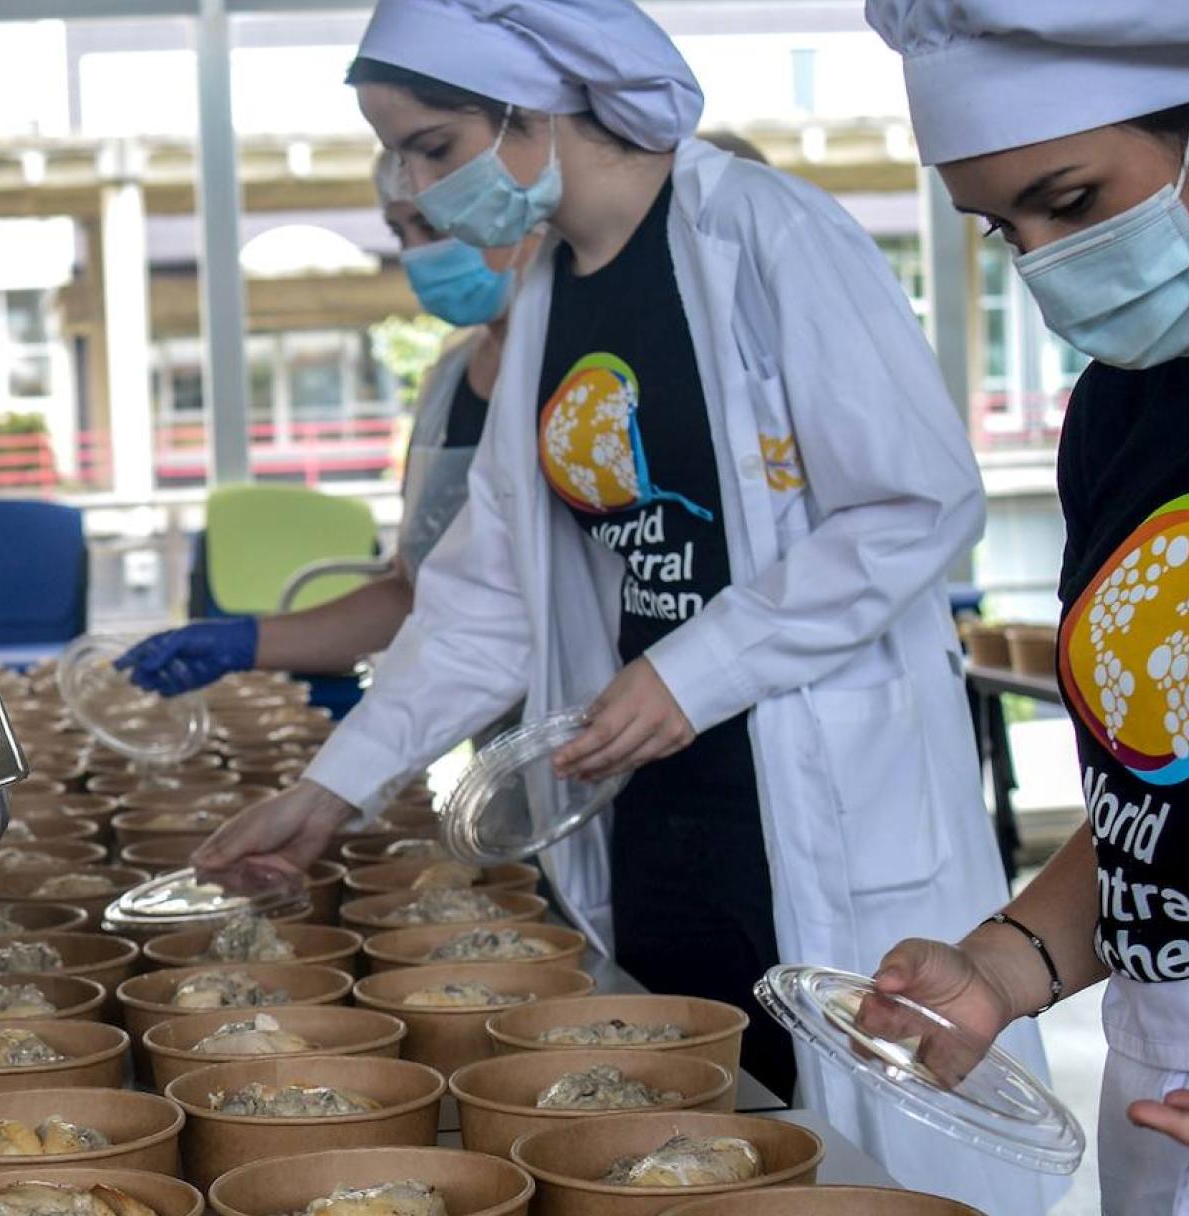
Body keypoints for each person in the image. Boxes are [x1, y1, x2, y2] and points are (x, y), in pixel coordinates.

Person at [189, 1, 1061, 1210]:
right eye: (397, 152)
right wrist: (336, 784)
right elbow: (489, 589)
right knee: (697, 1134)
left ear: (537, 112)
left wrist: (692, 670)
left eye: (434, 146)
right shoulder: (550, 287)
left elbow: (914, 501)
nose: (416, 186)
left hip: (810, 797)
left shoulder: (764, 231)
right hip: (654, 802)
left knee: (858, 1161)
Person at [860, 5, 1188, 1210]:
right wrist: (1009, 961)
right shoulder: (1122, 412)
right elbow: (1159, 801)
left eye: (1077, 201)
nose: (1047, 260)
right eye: (1007, 229)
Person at [119, 150, 532, 693]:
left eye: (431, 224)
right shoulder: (447, 381)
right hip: (482, 715)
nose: (416, 253)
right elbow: (414, 594)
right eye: (400, 231)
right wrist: (247, 642)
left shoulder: (570, 366)